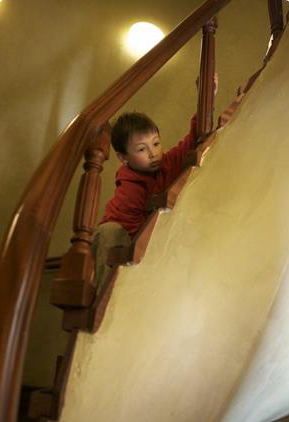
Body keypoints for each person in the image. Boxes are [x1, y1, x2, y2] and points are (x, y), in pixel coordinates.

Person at [92, 74, 218, 292]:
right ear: (124, 158)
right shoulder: (129, 187)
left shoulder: (166, 162)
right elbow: (133, 230)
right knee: (110, 233)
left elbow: (193, 139)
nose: (153, 154)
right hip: (121, 233)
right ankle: (103, 298)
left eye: (156, 143)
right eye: (142, 149)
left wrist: (206, 96)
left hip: (149, 233)